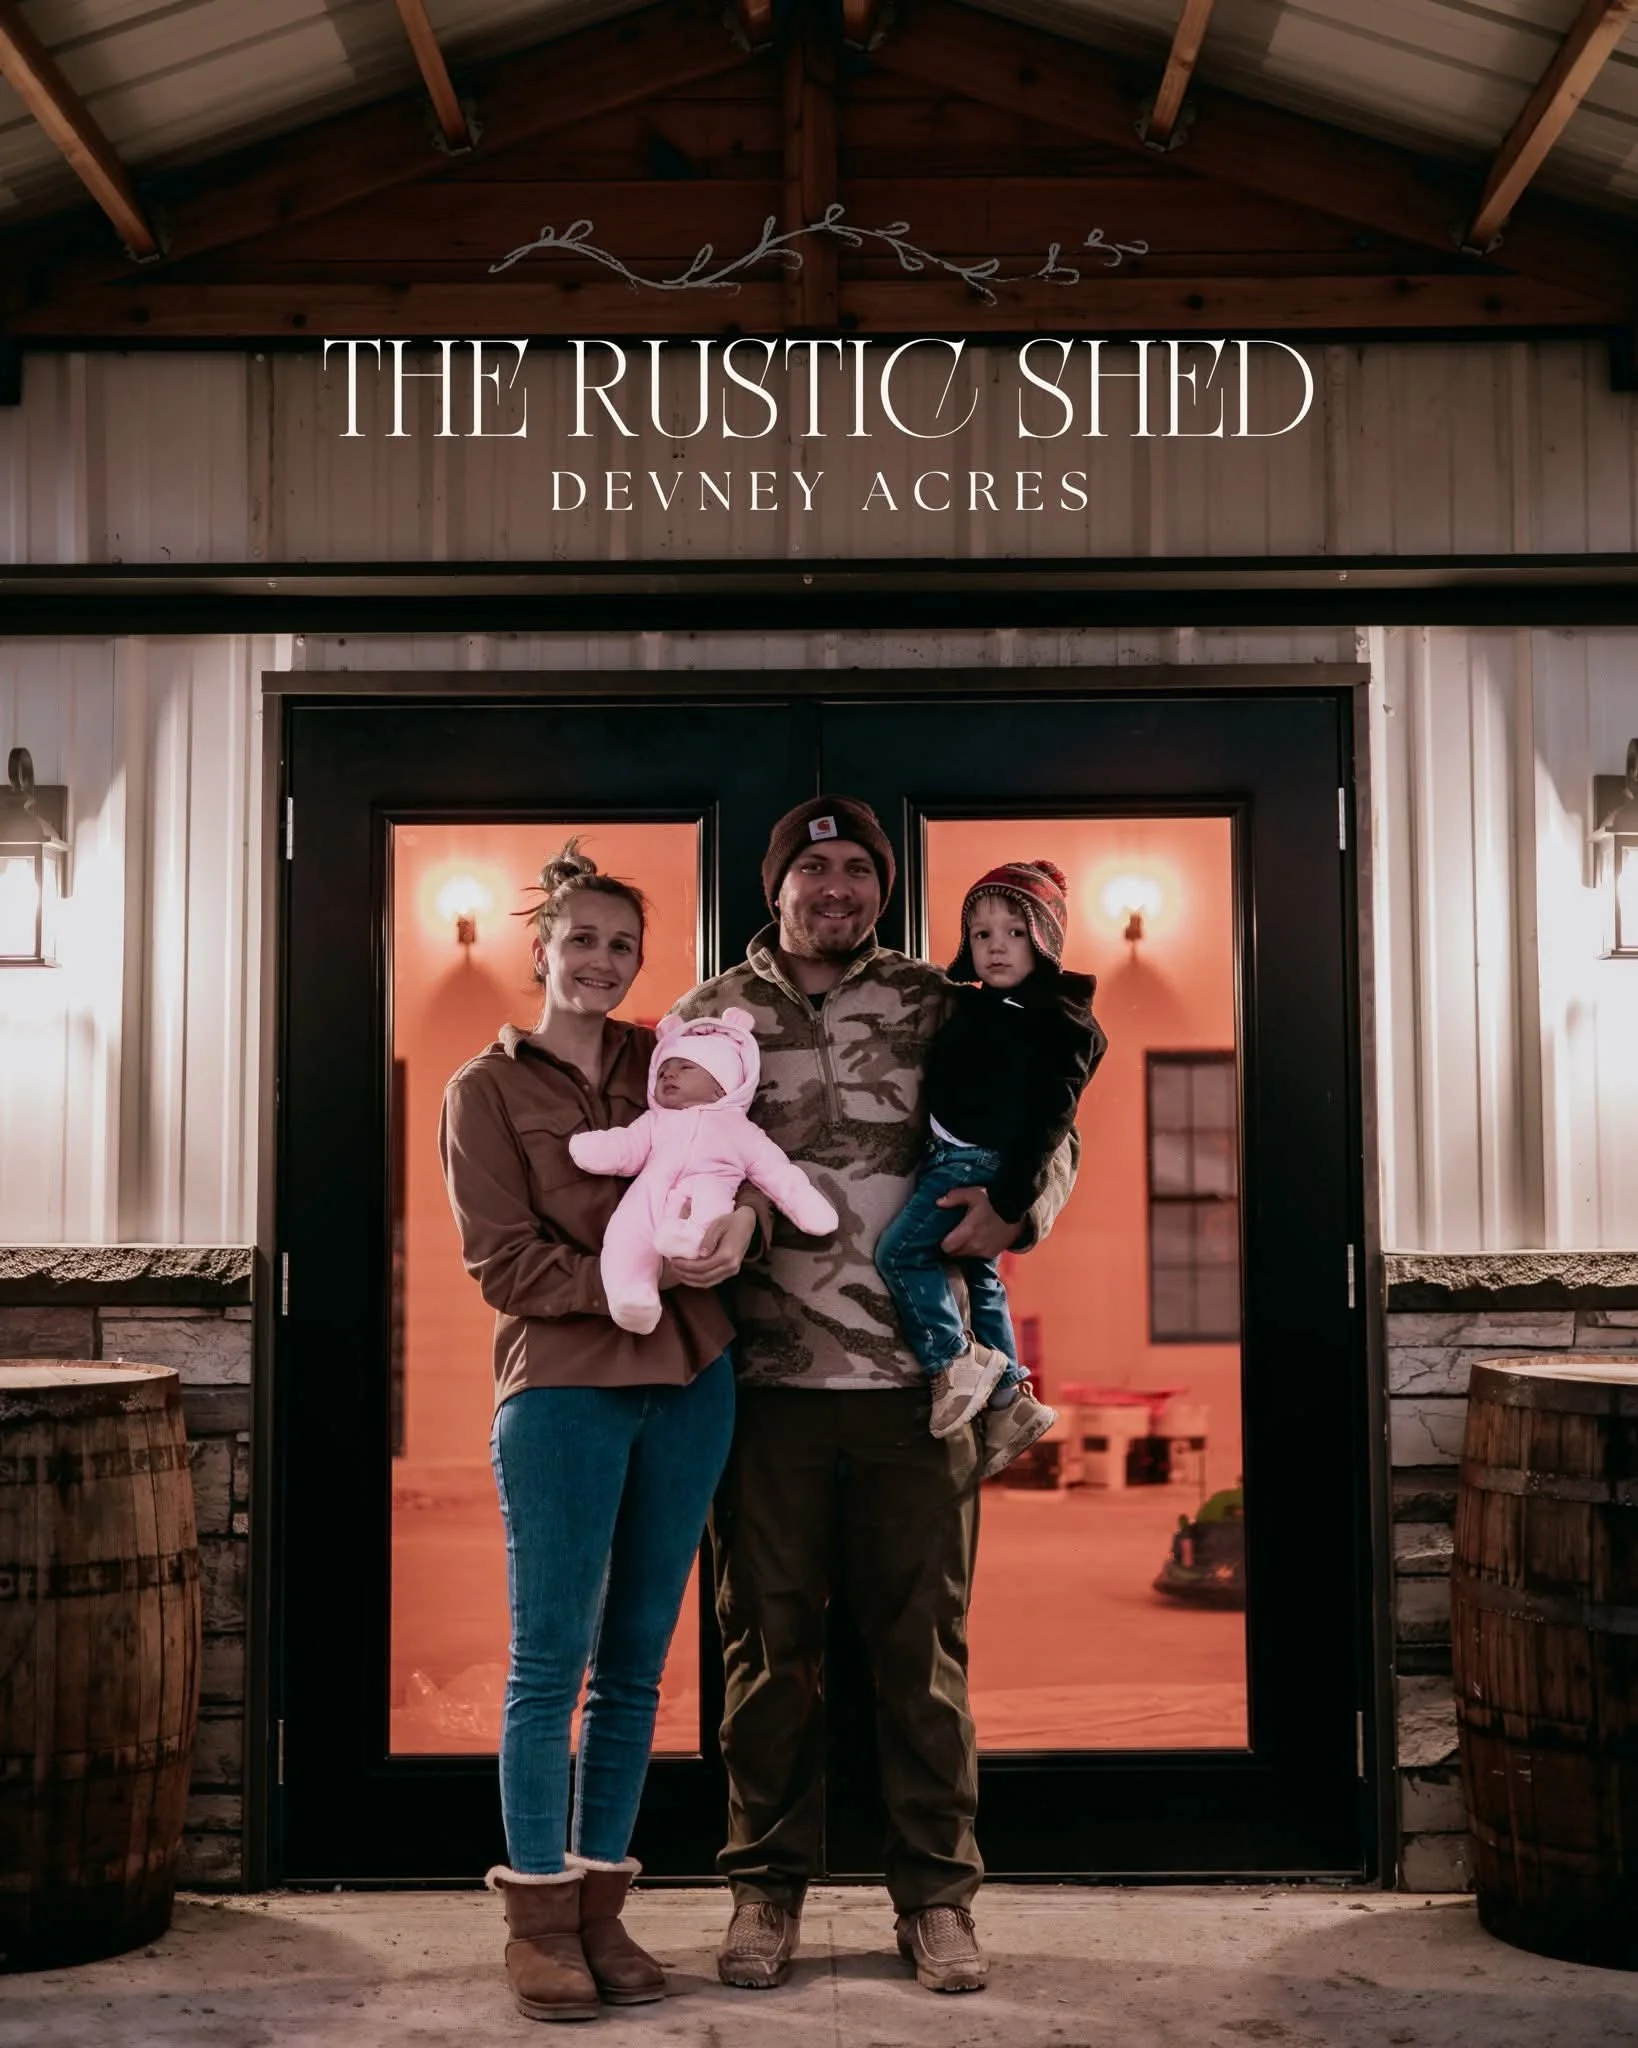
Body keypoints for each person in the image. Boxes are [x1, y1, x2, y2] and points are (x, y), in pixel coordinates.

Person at [670, 796, 1081, 1997]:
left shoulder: (942, 1001)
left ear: (881, 885)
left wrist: (1021, 1210)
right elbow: (662, 1155)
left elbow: (1043, 1119)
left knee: (923, 1650)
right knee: (765, 1648)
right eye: (815, 865)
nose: (837, 884)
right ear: (776, 882)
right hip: (762, 1389)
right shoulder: (708, 1016)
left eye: (860, 866)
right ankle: (764, 1888)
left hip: (924, 1388)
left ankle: (937, 1898)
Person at [438, 844, 756, 2024]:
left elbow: (735, 1158)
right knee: (548, 1664)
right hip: (562, 1385)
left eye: (623, 944)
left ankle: (603, 1904)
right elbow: (501, 1261)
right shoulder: (483, 1089)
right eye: (584, 939)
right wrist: (629, 1277)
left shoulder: (666, 1054)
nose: (603, 962)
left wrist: (741, 1233)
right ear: (542, 947)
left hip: (693, 1378)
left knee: (636, 1665)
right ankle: (537, 1912)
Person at [874, 859, 1105, 1461]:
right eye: (982, 934)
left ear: (1046, 942)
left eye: (1016, 932)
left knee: (898, 1254)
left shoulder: (1056, 1020)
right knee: (981, 1278)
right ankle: (1009, 1397)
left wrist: (1009, 1199)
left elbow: (1051, 1124)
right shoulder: (972, 1005)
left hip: (976, 1167)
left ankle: (953, 1360)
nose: (997, 947)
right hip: (950, 1155)